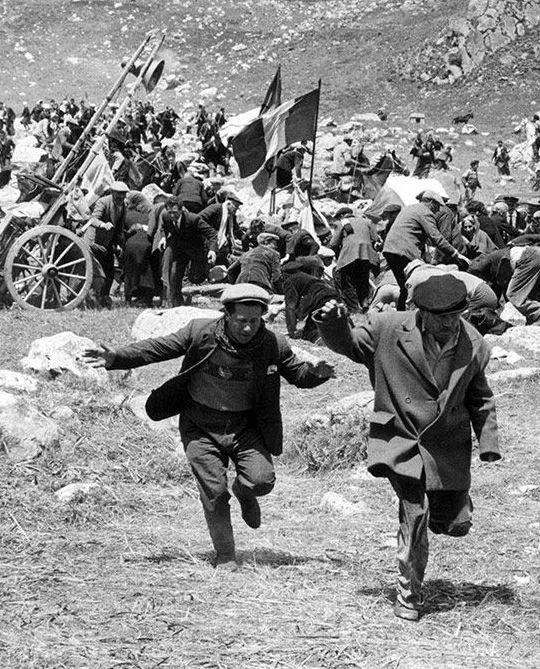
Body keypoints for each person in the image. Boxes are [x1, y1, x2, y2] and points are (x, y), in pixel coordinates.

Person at [82, 284, 335, 569]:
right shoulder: (200, 332)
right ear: (226, 315)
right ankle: (225, 554)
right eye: (241, 321)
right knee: (214, 493)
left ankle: (245, 491)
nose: (248, 328)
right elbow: (158, 348)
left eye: (255, 321)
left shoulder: (272, 344)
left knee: (262, 481)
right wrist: (117, 357)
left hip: (245, 427)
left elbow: (297, 374)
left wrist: (316, 374)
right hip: (199, 425)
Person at [314, 274, 500, 621]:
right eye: (441, 317)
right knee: (415, 514)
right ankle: (409, 594)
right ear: (419, 311)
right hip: (402, 439)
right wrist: (334, 321)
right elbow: (351, 345)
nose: (448, 324)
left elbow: (480, 396)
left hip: (446, 445)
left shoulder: (474, 343)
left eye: (455, 315)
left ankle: (453, 505)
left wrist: (488, 441)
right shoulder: (387, 327)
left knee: (453, 523)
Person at [382, 191, 470, 310]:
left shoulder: (411, 208)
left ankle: (401, 314)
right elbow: (436, 237)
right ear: (430, 202)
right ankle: (416, 314)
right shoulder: (426, 212)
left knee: (405, 287)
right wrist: (456, 254)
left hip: (390, 250)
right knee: (418, 284)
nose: (438, 210)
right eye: (437, 206)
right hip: (405, 251)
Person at [161, 196, 218, 306]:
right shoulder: (165, 217)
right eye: (170, 212)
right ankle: (177, 303)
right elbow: (164, 228)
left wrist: (212, 250)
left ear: (181, 209)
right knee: (174, 274)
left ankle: (198, 294)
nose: (172, 216)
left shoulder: (193, 219)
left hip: (197, 249)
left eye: (175, 212)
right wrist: (163, 237)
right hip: (180, 250)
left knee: (196, 277)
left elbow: (212, 234)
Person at [84, 181, 130, 308]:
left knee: (109, 272)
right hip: (94, 242)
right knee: (95, 272)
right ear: (112, 193)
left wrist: (119, 243)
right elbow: (93, 219)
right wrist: (103, 225)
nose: (121, 197)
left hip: (108, 243)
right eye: (119, 194)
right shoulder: (103, 202)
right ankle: (89, 298)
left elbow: (119, 227)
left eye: (124, 194)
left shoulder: (124, 205)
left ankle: (104, 297)